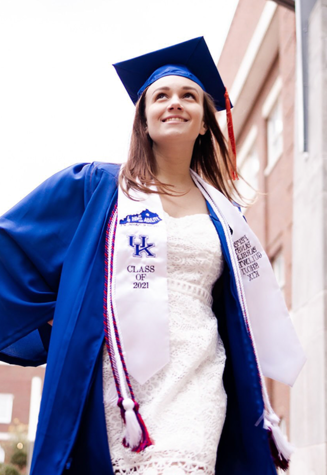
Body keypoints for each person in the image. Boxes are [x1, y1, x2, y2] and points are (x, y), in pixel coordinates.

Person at [0, 37, 305, 475]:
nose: (175, 103)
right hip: (118, 378)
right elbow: (12, 249)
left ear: (204, 122)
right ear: (143, 120)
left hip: (198, 372)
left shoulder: (226, 214)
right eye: (161, 96)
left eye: (188, 96)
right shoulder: (99, 189)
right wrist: (66, 314)